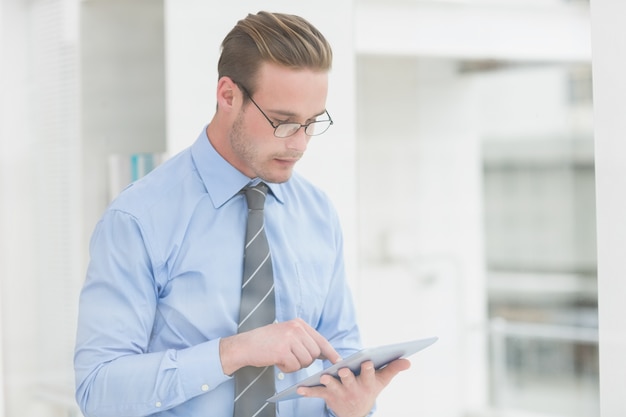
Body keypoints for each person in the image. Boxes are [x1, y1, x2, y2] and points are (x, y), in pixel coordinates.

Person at [74, 11, 410, 417]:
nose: (300, 144)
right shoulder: (139, 219)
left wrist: (356, 404)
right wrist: (234, 352)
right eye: (283, 123)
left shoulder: (318, 213)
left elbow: (343, 352)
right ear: (228, 95)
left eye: (312, 122)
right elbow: (98, 391)